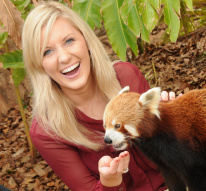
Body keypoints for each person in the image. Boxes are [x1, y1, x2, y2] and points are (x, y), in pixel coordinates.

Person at [22, 1, 176, 191]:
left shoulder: (126, 77)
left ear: (85, 40)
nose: (63, 57)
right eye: (47, 52)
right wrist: (109, 182)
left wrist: (174, 120)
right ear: (39, 65)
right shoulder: (47, 133)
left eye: (69, 41)